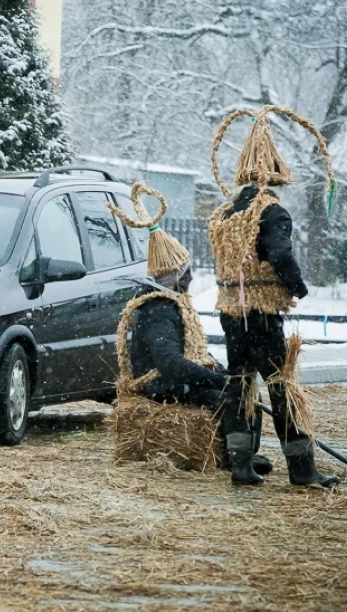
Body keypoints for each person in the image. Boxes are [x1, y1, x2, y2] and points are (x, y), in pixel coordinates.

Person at [207, 104, 341, 488]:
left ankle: (240, 466)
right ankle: (303, 469)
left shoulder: (228, 212)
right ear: (277, 177)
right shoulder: (272, 212)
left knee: (240, 383)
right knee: (282, 387)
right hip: (263, 315)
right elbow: (281, 253)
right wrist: (296, 286)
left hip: (232, 313)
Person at [110, 183, 272, 478]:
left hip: (169, 379)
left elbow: (189, 352)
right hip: (158, 384)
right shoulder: (160, 310)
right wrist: (217, 380)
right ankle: (233, 459)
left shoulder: (169, 304)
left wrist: (223, 373)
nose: (192, 278)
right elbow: (169, 363)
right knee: (230, 398)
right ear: (175, 278)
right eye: (187, 273)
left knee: (244, 390)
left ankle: (245, 454)